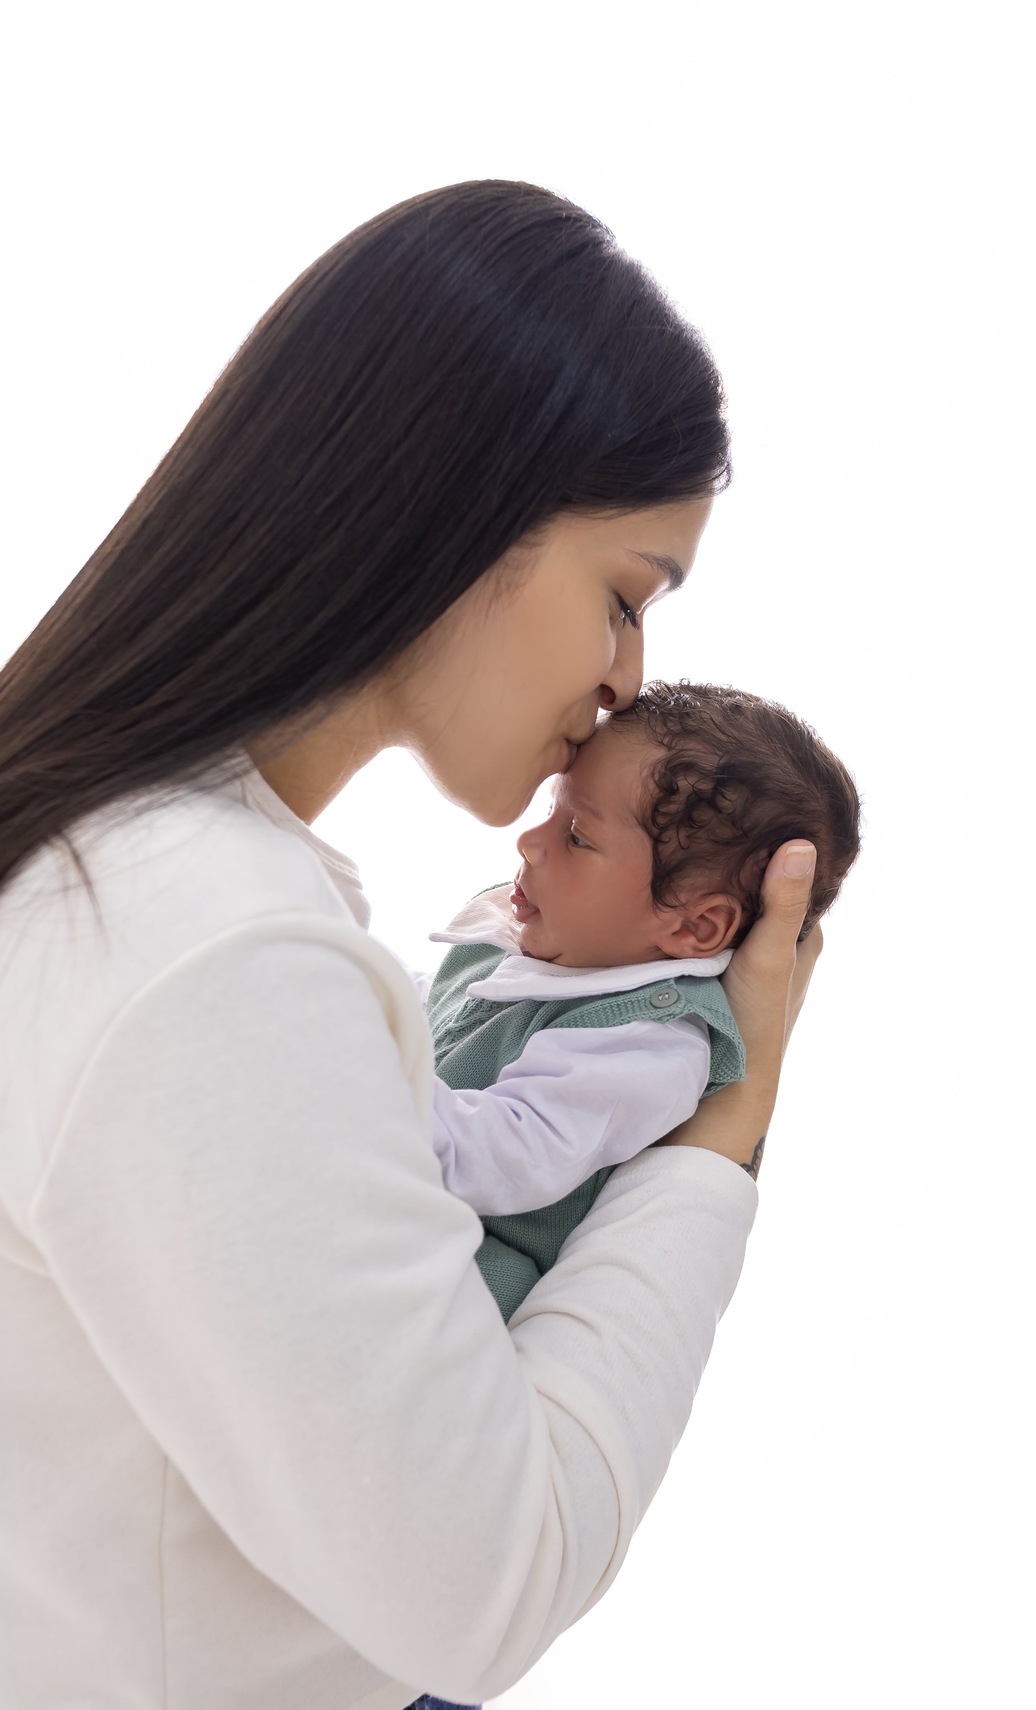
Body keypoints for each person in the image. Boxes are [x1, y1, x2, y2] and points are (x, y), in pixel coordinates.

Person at [0, 181, 824, 1710]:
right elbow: (488, 1580)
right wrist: (721, 1132)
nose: (627, 680)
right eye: (625, 596)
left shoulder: (118, 860)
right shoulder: (210, 951)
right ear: (462, 515)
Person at [420, 680, 860, 1321]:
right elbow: (432, 1019)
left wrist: (359, 1078)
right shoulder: (533, 935)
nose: (531, 841)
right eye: (552, 810)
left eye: (577, 837)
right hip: (389, 1198)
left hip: (454, 1290)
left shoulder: (649, 1042)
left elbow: (501, 1153)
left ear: (693, 928)